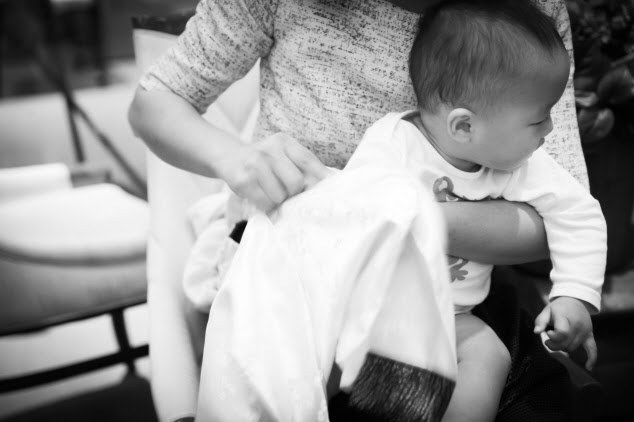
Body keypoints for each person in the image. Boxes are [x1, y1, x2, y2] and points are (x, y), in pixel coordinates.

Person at [128, 0, 591, 420]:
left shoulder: (529, 21)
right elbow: (154, 102)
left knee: (488, 367)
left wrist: (409, 221)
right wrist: (233, 159)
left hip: (452, 284)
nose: (547, 129)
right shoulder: (391, 139)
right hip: (298, 270)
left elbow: (562, 212)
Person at [343, 1, 606, 420]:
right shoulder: (393, 147)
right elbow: (349, 212)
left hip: (451, 315)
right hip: (367, 306)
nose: (550, 129)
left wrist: (574, 294)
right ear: (464, 126)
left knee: (490, 355)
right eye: (538, 120)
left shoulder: (518, 164)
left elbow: (579, 213)